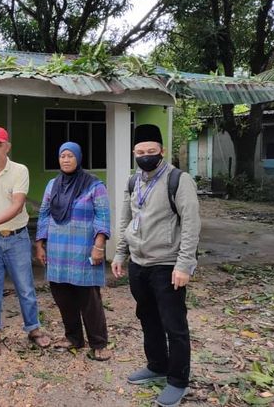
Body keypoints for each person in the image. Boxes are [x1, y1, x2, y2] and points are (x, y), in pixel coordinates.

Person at [111, 124, 200, 407]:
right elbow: (126, 220)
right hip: (139, 264)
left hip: (167, 264)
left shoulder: (178, 180)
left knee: (174, 324)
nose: (146, 156)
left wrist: (184, 264)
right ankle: (157, 365)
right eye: (140, 152)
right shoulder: (132, 182)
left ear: (162, 151)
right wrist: (120, 254)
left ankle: (178, 380)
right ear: (134, 153)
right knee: (147, 317)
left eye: (151, 151)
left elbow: (191, 224)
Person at [0, 126, 51, 356]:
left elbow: (17, 205)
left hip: (16, 237)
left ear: (8, 147)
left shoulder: (19, 170)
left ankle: (33, 329)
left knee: (25, 287)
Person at [35, 142, 111, 361]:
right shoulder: (53, 185)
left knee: (89, 298)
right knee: (63, 296)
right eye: (62, 156)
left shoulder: (94, 185)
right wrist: (39, 243)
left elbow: (103, 216)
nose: (66, 160)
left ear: (78, 158)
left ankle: (98, 343)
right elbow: (44, 214)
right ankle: (73, 338)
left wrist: (99, 246)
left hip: (83, 251)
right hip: (58, 251)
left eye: (70, 156)